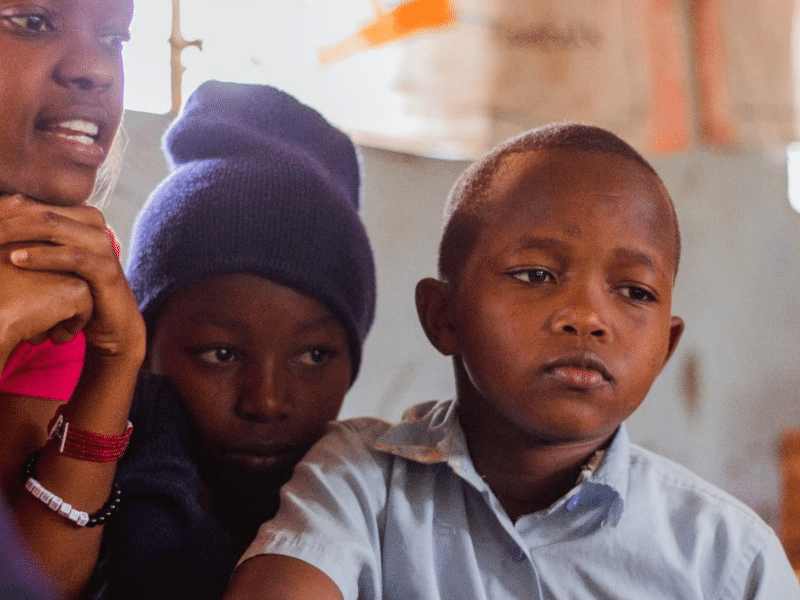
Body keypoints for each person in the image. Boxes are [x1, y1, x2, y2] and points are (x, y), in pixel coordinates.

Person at [224, 123, 800, 599]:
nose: (587, 317)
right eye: (536, 275)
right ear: (443, 315)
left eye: (634, 292)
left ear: (665, 348)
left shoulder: (727, 557)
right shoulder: (363, 481)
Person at [87, 80, 376, 600]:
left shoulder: (375, 510)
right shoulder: (75, 481)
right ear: (143, 340)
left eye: (314, 356)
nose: (265, 401)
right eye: (221, 355)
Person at [0, 0, 145, 597]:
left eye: (114, 37)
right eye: (33, 22)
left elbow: (32, 582)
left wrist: (116, 362)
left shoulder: (57, 262)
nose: (98, 70)